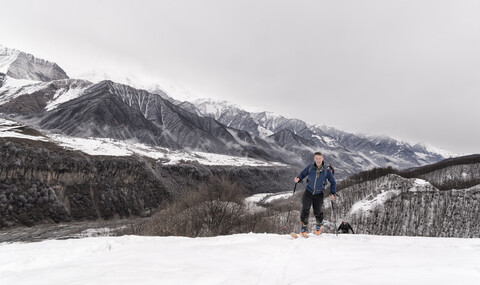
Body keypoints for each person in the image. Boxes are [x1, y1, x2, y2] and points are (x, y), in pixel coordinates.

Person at [294, 151, 336, 236]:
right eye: (316, 158)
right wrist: (298, 178)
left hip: (319, 193)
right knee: (305, 209)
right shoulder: (310, 167)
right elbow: (303, 174)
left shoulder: (326, 170)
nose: (318, 160)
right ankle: (304, 227)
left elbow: (333, 182)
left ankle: (319, 225)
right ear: (314, 159)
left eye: (319, 158)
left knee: (317, 211)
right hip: (308, 191)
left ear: (322, 159)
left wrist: (332, 193)